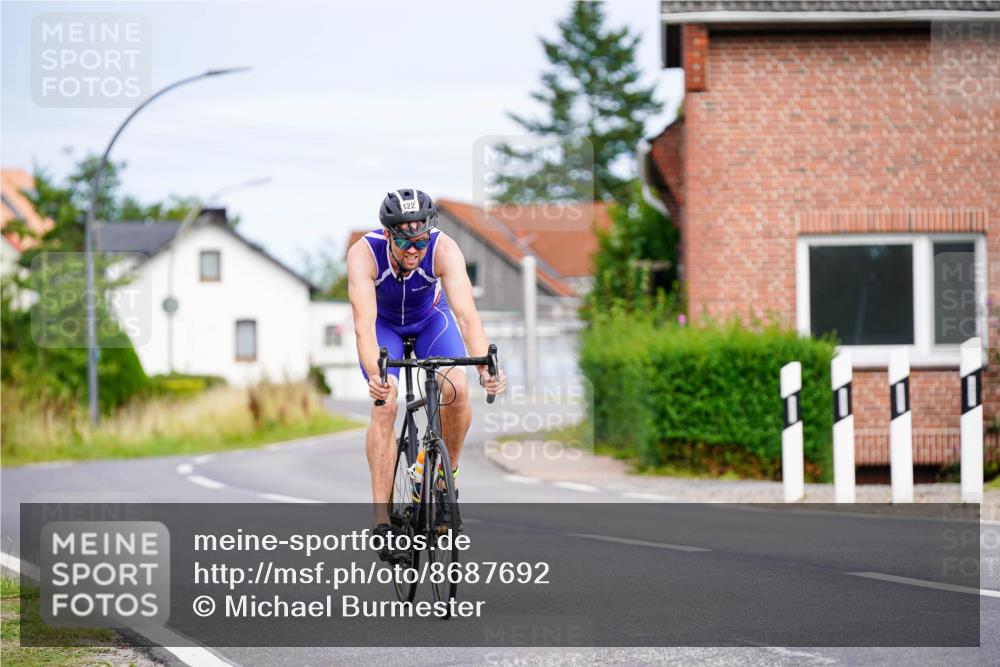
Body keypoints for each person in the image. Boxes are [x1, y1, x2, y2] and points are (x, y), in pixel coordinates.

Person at [346, 189, 506, 557]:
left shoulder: (444, 248)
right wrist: (377, 377)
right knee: (385, 404)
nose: (414, 250)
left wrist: (485, 365)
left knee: (457, 388)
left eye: (420, 241)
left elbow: (467, 316)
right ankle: (381, 520)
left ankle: (442, 481)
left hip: (430, 321)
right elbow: (364, 327)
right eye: (405, 242)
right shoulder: (363, 253)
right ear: (388, 235)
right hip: (384, 327)